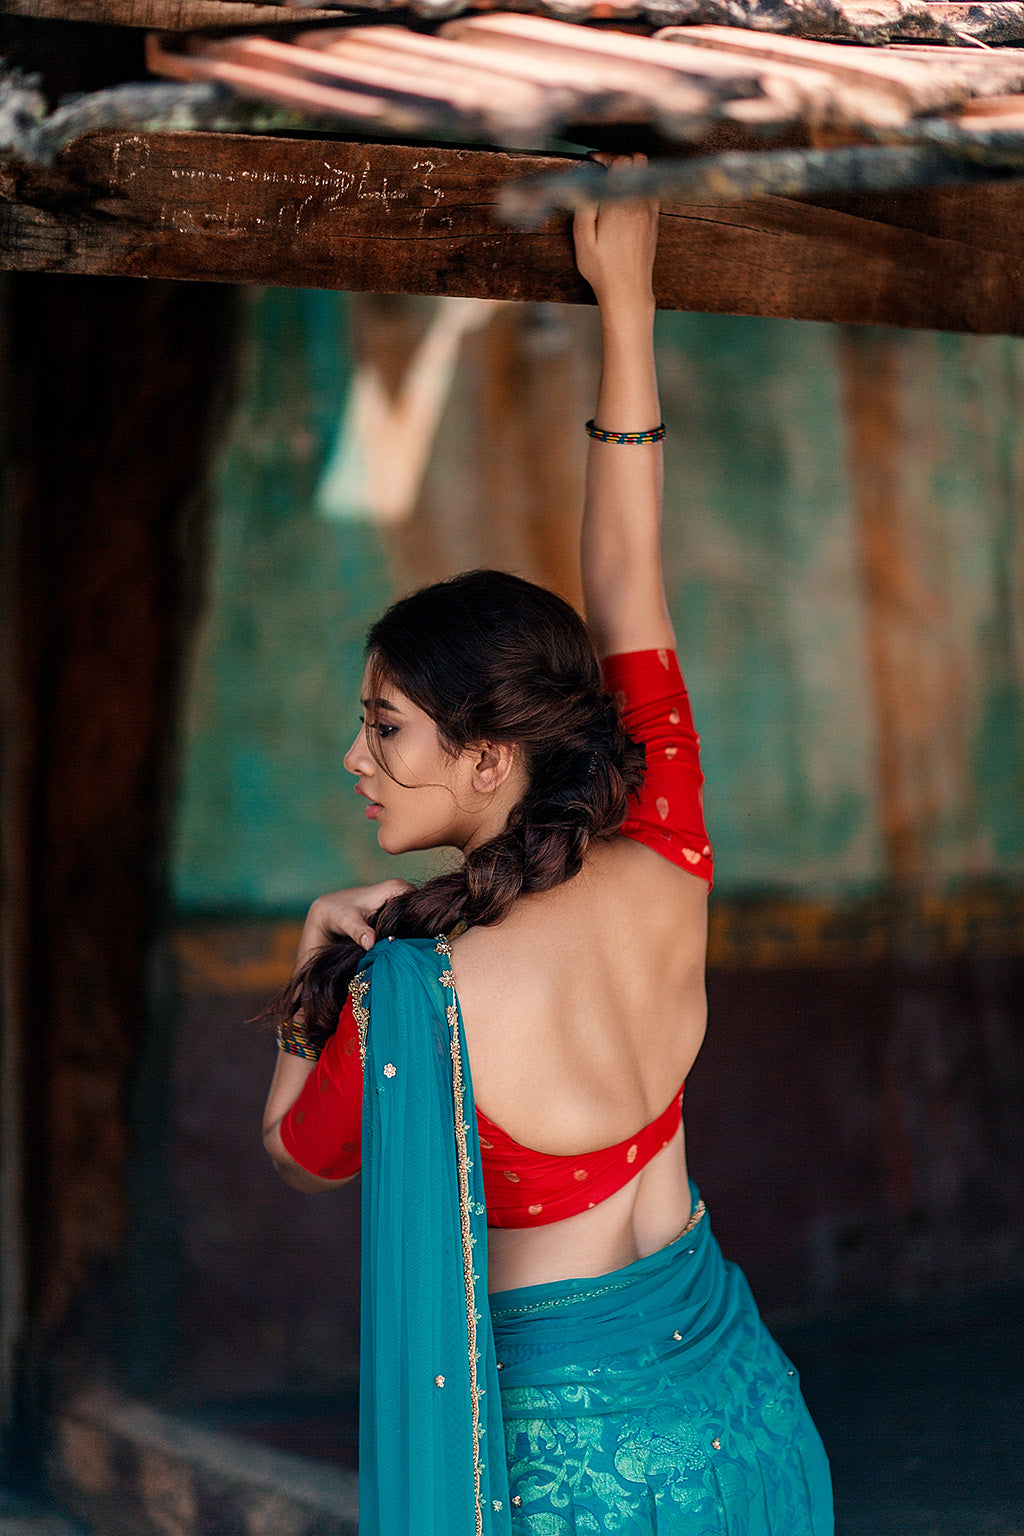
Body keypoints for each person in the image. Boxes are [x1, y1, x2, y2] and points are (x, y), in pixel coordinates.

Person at [261, 160, 834, 1536]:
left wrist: (305, 974)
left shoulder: (421, 988)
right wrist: (626, 305)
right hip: (750, 1420)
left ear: (486, 756)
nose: (356, 759)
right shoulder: (666, 847)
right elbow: (630, 568)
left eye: (384, 729)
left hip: (577, 1485)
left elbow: (301, 1151)